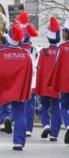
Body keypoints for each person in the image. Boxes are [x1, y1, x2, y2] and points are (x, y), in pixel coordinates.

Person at [0, 22, 33, 151]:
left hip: (4, 87)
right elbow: (32, 72)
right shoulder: (27, 54)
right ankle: (18, 142)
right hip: (19, 88)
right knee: (19, 113)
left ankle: (5, 117)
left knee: (2, 104)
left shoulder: (1, 53)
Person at [34, 16, 62, 141]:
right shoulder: (61, 51)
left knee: (44, 107)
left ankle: (45, 125)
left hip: (44, 86)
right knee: (56, 109)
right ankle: (54, 135)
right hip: (56, 87)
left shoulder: (42, 52)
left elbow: (38, 69)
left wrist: (38, 86)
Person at [17, 11, 38, 137]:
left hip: (20, 79)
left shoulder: (19, 50)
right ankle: (29, 128)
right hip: (32, 80)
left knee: (19, 104)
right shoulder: (33, 49)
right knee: (30, 103)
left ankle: (21, 126)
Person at [48, 16, 69, 145]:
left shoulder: (62, 48)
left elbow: (56, 67)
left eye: (63, 32)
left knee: (64, 107)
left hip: (65, 85)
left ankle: (68, 126)